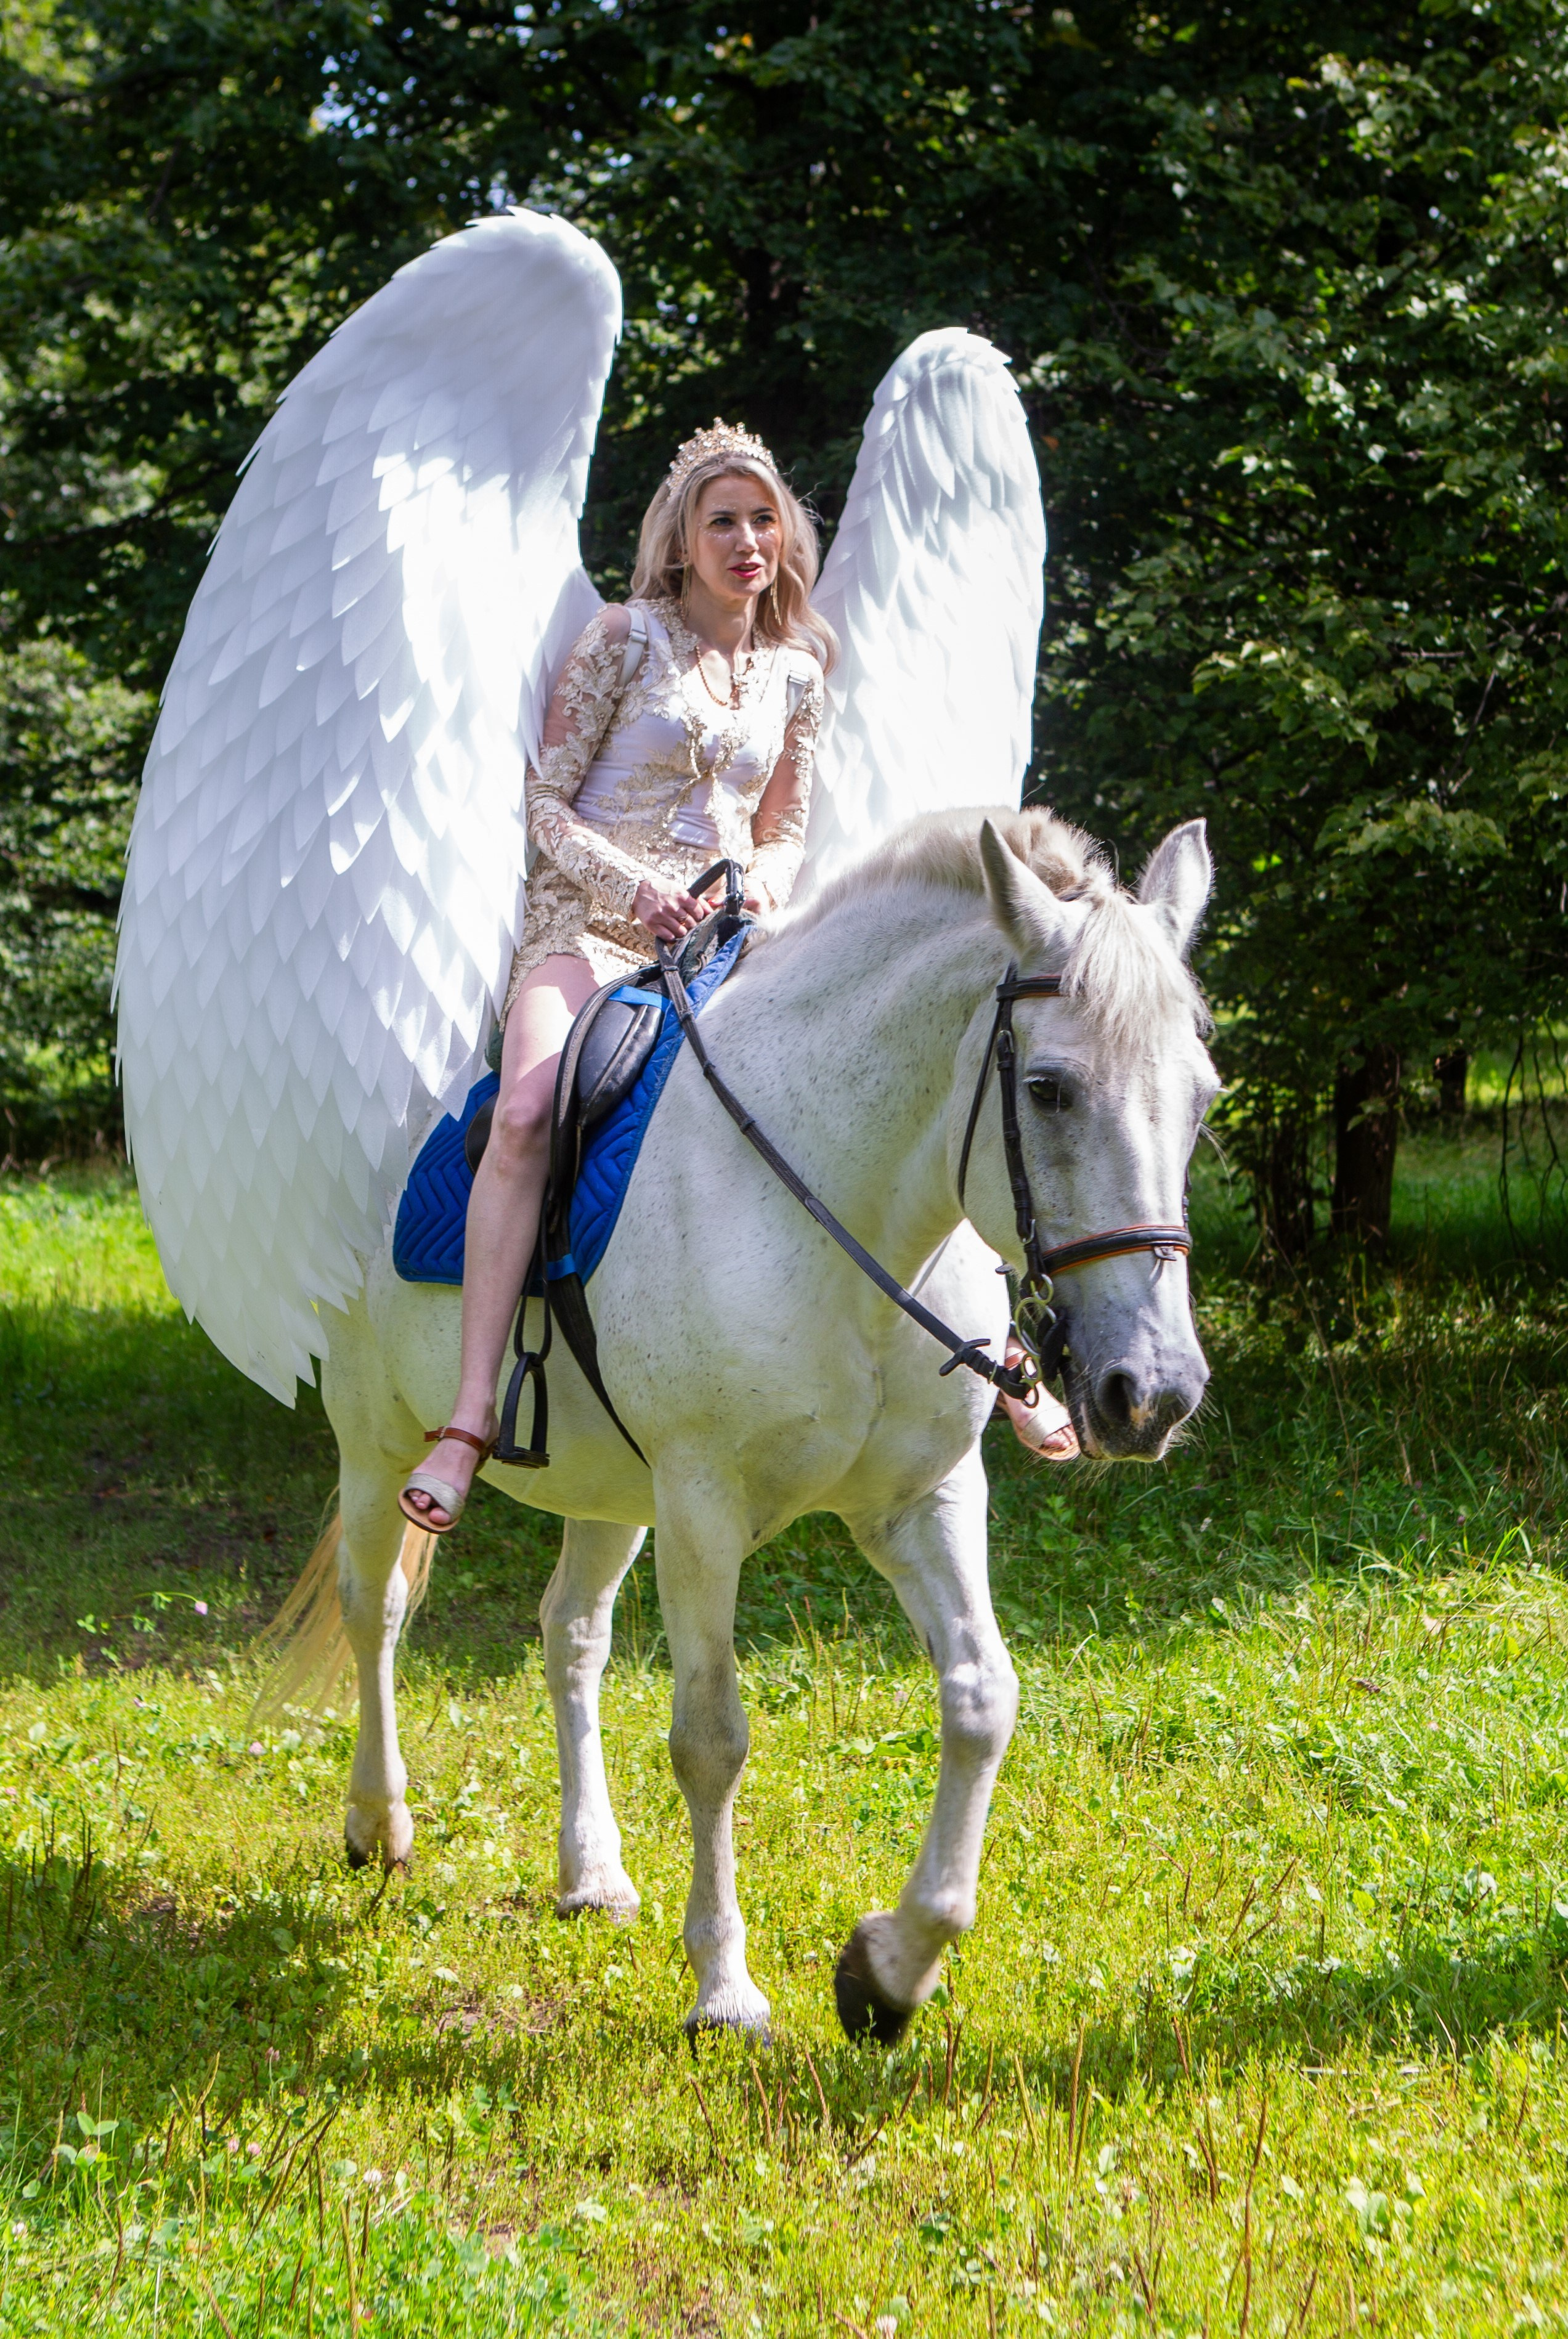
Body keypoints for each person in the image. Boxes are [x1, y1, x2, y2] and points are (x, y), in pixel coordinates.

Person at [399, 418, 1078, 1529]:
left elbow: (782, 828)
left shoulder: (795, 672)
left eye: (764, 520)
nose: (747, 540)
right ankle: (473, 1415)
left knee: (896, 1083)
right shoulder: (623, 638)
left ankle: (996, 1347)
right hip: (590, 933)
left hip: (725, 938)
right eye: (724, 521)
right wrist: (633, 891)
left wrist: (757, 887)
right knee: (525, 1113)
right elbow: (540, 804)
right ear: (683, 535)